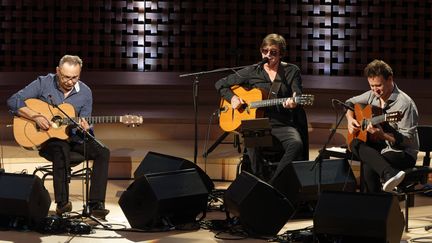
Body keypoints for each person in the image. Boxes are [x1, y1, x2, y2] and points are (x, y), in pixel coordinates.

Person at [7, 55, 110, 218]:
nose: (70, 81)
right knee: (61, 148)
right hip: (48, 140)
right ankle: (62, 204)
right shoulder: (43, 83)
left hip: (73, 138)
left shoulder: (85, 92)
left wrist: (85, 127)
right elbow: (14, 101)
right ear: (58, 71)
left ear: (80, 73)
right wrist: (36, 117)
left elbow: (85, 121)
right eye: (66, 77)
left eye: (75, 77)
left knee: (103, 151)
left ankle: (96, 204)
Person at [215, 33, 308, 183]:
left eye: (273, 52)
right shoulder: (252, 71)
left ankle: (273, 183)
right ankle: (259, 179)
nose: (268, 55)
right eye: (265, 51)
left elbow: (298, 94)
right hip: (258, 121)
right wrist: (232, 98)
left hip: (281, 122)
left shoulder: (292, 71)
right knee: (252, 137)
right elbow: (220, 84)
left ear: (281, 54)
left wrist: (294, 102)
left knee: (296, 144)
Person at [345, 59, 419, 193]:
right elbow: (349, 103)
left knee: (370, 166)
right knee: (354, 143)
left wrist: (382, 135)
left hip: (402, 153)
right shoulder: (372, 95)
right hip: (382, 146)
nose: (374, 90)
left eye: (378, 85)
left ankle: (376, 206)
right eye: (371, 86)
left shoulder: (405, 104)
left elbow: (408, 140)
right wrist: (350, 120)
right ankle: (389, 175)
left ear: (390, 79)